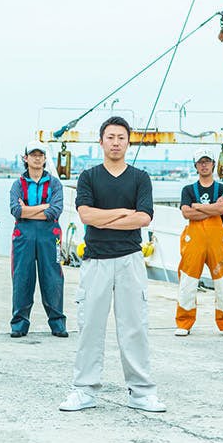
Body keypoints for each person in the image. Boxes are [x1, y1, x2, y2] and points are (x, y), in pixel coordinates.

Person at [59, 116, 166, 413]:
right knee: (90, 327)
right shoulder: (89, 177)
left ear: (128, 142)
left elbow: (143, 218)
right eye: (110, 137)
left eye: (121, 137)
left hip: (130, 260)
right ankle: (84, 390)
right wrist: (123, 213)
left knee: (134, 327)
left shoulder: (140, 178)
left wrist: (104, 218)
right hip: (96, 262)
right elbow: (86, 216)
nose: (115, 142)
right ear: (101, 141)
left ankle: (141, 392)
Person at [174, 148, 223, 337]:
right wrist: (212, 209)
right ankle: (184, 322)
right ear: (195, 165)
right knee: (188, 281)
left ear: (213, 164)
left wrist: (198, 206)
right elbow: (187, 213)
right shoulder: (187, 190)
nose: (204, 165)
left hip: (218, 241)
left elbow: (222, 208)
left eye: (207, 161)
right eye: (200, 162)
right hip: (194, 240)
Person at [8, 140, 67, 338]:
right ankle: (19, 324)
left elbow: (55, 211)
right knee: (22, 278)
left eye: (40, 155)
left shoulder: (54, 184)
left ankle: (57, 323)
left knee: (53, 277)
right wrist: (43, 207)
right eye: (33, 155)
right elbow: (16, 211)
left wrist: (28, 210)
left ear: (44, 158)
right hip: (23, 236)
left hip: (49, 235)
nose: (37, 158)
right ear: (26, 158)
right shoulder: (18, 184)